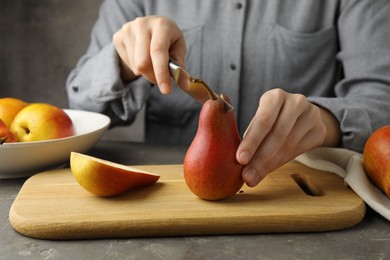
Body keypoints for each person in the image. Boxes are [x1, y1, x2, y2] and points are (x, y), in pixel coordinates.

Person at [66, 0, 390, 187]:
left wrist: (325, 121)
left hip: (300, 194)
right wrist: (122, 63)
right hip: (172, 202)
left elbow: (381, 95)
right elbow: (79, 106)